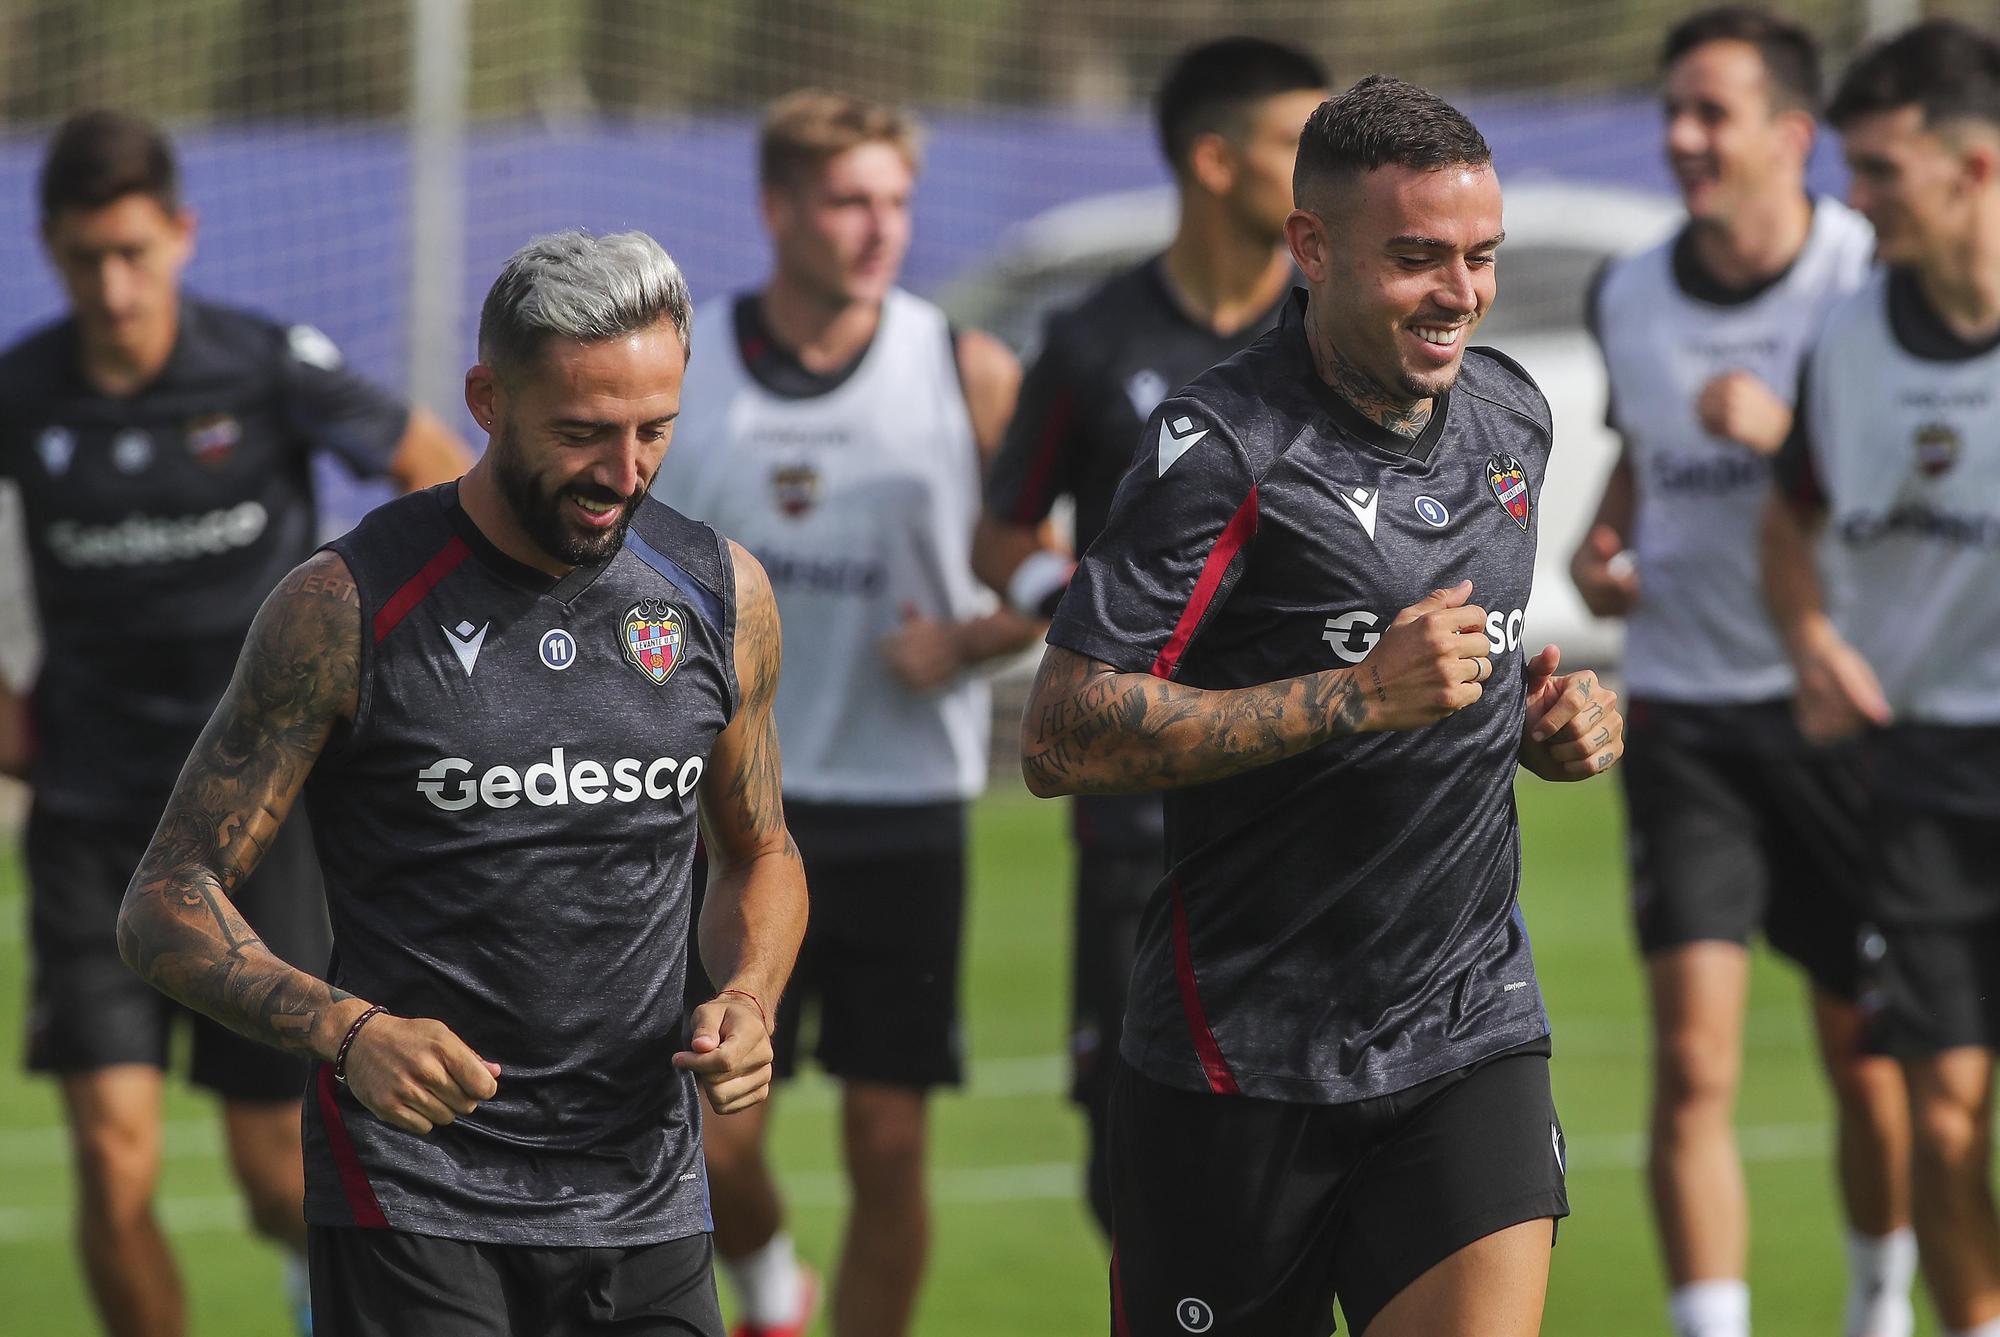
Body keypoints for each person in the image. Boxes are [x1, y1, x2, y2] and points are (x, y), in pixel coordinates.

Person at [113, 228, 807, 1337]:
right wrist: (347, 1031)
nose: (623, 475)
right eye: (581, 433)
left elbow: (760, 849)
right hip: (413, 1195)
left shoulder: (720, 595)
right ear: (487, 398)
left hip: (645, 1193)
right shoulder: (344, 606)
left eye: (654, 431)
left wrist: (748, 994)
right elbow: (164, 900)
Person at [1021, 74, 1625, 1337]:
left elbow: (1460, 666)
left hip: (1467, 1024)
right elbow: (1061, 732)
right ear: (1310, 248)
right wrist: (1352, 695)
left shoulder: (1511, 415)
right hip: (1238, 1052)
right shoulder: (1222, 447)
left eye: (1478, 257)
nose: (1457, 293)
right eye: (1414, 258)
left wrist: (1538, 721)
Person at [0, 109, 469, 1337]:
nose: (114, 283)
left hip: (261, 824)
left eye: (136, 252)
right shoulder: (22, 390)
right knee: (111, 1160)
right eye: (87, 255)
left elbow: (434, 465)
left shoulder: (265, 363)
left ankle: (305, 1276)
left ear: (183, 236)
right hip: (93, 823)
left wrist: (405, 668)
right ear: (48, 246)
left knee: (278, 1167)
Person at [652, 90, 1035, 1337]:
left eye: (894, 201)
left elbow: (1052, 575)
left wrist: (972, 637)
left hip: (900, 804)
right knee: (715, 1138)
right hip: (723, 815)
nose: (878, 227)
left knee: (885, 1140)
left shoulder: (961, 365)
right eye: (846, 200)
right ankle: (768, 1284)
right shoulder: (688, 365)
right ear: (775, 209)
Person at [1570, 11, 1914, 1337]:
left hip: (1842, 711)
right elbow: (1635, 460)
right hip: (1684, 716)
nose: (1681, 137)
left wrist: (1794, 440)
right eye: (1671, 111)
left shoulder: (1864, 280)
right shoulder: (1630, 289)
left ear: (1792, 136)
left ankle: (1877, 1309)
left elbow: (1914, 490)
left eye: (1711, 112)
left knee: (1867, 1059)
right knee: (1694, 1060)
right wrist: (1608, 547)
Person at [971, 34, 1329, 1238]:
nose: (1318, 166)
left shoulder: (1330, 335)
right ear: (1213, 160)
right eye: (1295, 143)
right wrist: (1058, 598)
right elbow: (998, 527)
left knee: (1309, 1139)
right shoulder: (1092, 339)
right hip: (1134, 810)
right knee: (1131, 1153)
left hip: (1311, 802)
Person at [1763, 21, 2000, 1337]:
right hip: (1914, 775)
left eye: (1881, 170)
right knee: (1943, 1109)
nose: (1854, 199)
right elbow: (1785, 520)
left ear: (1976, 169)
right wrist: (1809, 639)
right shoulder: (1849, 338)